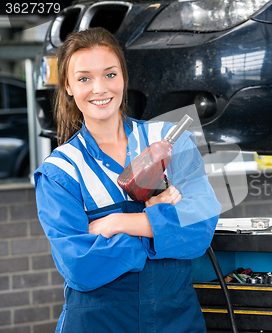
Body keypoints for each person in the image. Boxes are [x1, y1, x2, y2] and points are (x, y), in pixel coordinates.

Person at [34, 27, 221, 333]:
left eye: (110, 74)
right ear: (68, 86)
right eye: (84, 78)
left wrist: (118, 224)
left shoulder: (171, 142)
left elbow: (202, 227)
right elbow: (80, 267)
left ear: (123, 77)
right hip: (98, 323)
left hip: (176, 320)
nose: (100, 88)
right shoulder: (61, 171)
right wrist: (161, 229)